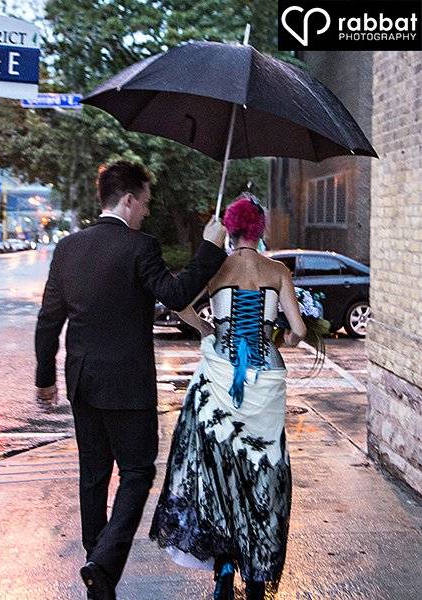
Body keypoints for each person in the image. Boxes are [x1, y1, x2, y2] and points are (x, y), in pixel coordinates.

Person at [34, 160, 227, 600]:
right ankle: (101, 563)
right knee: (138, 472)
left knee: (93, 475)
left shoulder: (67, 248)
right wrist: (209, 248)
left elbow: (49, 320)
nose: (146, 211)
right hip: (128, 384)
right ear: (128, 199)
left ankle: (95, 566)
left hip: (82, 380)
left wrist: (44, 377)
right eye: (145, 203)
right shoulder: (141, 247)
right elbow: (176, 296)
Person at [149, 194, 307, 600]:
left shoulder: (216, 267)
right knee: (262, 468)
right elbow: (300, 332)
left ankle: (223, 566)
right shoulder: (277, 271)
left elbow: (178, 303)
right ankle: (255, 576)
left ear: (230, 230)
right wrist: (285, 336)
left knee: (219, 467)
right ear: (261, 230)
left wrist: (207, 328)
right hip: (265, 377)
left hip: (221, 372)